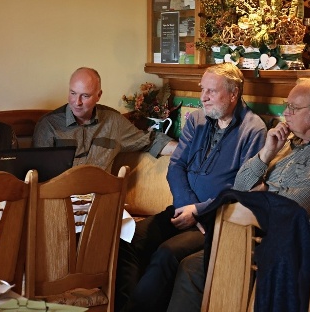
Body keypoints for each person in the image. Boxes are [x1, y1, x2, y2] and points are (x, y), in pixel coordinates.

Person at [167, 77, 310, 312]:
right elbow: (240, 186)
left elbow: (294, 204)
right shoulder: (290, 142)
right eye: (287, 105)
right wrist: (267, 153)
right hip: (262, 235)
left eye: (293, 108)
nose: (285, 113)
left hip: (305, 249)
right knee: (186, 262)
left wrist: (263, 190)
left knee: (193, 268)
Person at [115, 63, 268, 312]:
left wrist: (198, 211)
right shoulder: (196, 119)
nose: (203, 97)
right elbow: (176, 166)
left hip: (217, 220)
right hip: (182, 208)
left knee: (167, 253)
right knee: (128, 239)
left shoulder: (253, 130)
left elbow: (242, 188)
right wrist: (187, 206)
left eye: (211, 91)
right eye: (202, 89)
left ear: (233, 94)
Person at [32, 67, 178, 171]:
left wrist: (187, 150)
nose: (77, 102)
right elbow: (36, 175)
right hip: (59, 199)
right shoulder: (49, 125)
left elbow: (151, 141)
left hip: (101, 200)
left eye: (85, 96)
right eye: (73, 93)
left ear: (99, 95)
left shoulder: (113, 121)